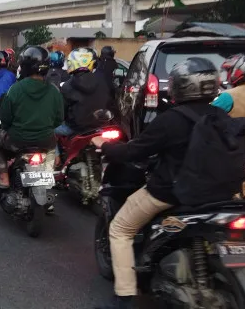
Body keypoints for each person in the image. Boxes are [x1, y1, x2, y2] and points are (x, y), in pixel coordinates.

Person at [91, 58, 225, 309]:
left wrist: (106, 146)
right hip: (219, 193)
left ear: (179, 87)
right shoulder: (221, 117)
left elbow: (134, 152)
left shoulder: (172, 119)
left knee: (120, 229)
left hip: (171, 192)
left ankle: (124, 298)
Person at [0, 46, 63, 197]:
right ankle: (48, 181)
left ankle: (4, 178)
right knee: (54, 153)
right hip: (47, 141)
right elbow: (59, 119)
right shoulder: (54, 90)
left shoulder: (15, 89)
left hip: (18, 140)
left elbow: (5, 119)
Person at [56, 47, 110, 144]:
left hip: (76, 129)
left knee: (49, 131)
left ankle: (57, 157)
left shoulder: (67, 85)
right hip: (102, 126)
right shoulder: (103, 81)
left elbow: (61, 113)